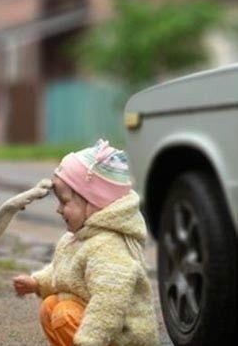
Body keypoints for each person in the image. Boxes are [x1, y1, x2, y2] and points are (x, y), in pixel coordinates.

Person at [13, 139, 159, 346]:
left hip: (123, 336)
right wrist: (37, 283)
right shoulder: (78, 238)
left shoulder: (108, 246)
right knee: (50, 306)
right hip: (99, 329)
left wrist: (89, 340)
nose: (58, 209)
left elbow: (108, 305)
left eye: (64, 201)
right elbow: (62, 272)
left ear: (93, 203)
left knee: (64, 314)